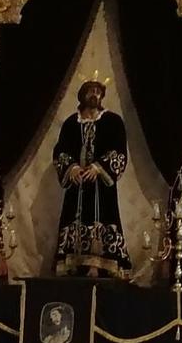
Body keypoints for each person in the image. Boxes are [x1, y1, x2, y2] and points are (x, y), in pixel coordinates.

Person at [52, 77, 132, 278]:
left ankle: (98, 265)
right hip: (77, 185)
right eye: (90, 91)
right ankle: (74, 262)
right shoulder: (71, 123)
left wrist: (98, 167)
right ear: (82, 95)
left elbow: (119, 150)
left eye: (98, 91)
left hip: (101, 186)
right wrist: (71, 168)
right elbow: (61, 150)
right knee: (75, 219)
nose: (95, 95)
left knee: (103, 217)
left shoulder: (113, 121)